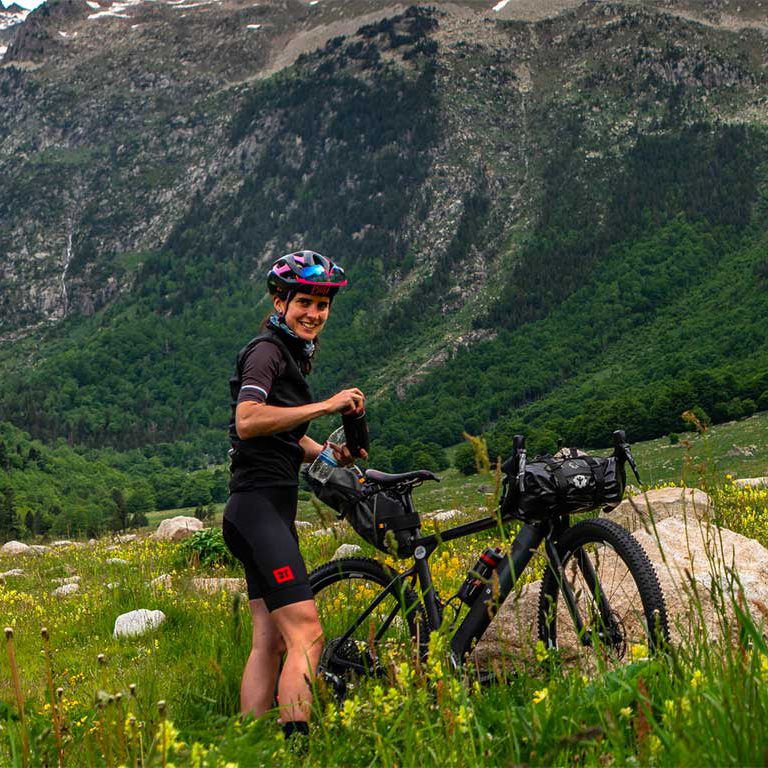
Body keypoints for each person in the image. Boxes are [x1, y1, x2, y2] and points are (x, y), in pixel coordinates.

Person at [223, 249, 367, 739]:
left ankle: (247, 745)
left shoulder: (288, 355)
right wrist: (327, 405)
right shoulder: (266, 351)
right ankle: (296, 749)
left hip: (257, 511)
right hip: (259, 509)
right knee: (307, 632)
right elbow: (247, 421)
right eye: (304, 301)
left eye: (322, 306)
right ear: (279, 300)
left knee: (270, 641)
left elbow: (281, 436)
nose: (314, 314)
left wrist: (325, 453)